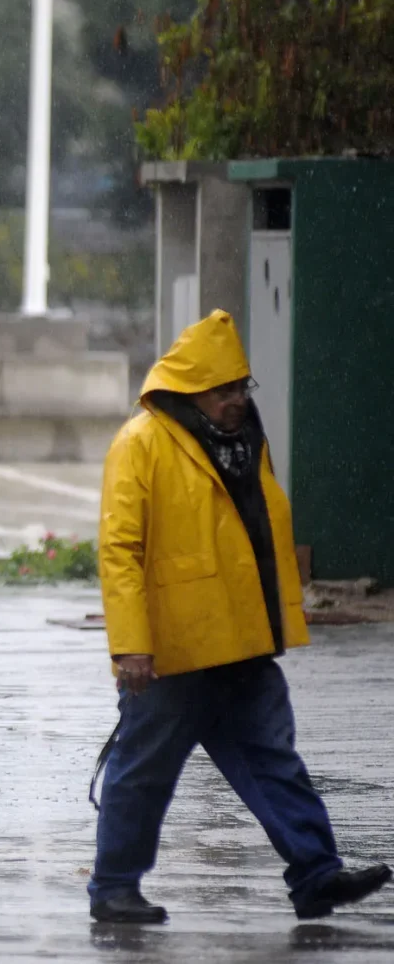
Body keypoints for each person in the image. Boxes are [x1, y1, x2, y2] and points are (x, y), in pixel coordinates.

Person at [89, 310, 390, 923]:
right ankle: (114, 888)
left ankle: (317, 875)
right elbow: (121, 551)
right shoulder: (141, 443)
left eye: (240, 387)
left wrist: (276, 622)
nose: (235, 400)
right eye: (223, 390)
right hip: (173, 652)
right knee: (144, 772)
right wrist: (131, 646)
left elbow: (258, 540)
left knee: (273, 759)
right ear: (191, 391)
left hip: (242, 643)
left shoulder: (243, 444)